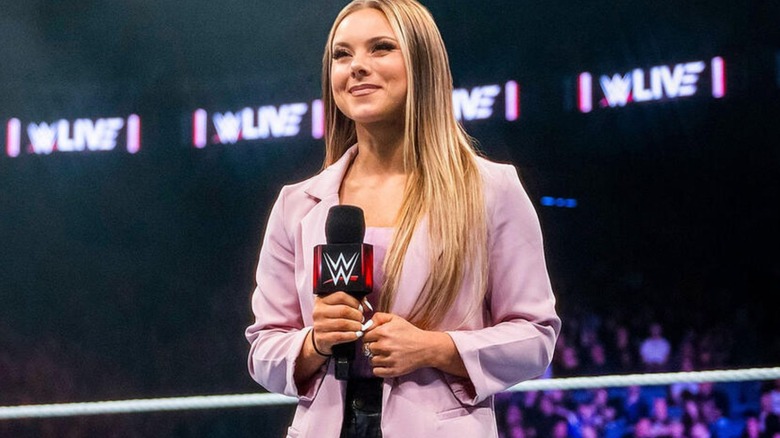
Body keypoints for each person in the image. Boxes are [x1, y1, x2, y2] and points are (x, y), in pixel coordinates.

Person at [244, 0, 560, 436]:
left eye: (380, 48)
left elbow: (536, 337)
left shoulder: (491, 190)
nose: (357, 66)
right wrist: (314, 343)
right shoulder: (296, 204)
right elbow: (262, 349)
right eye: (342, 54)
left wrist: (435, 348)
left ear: (422, 66)